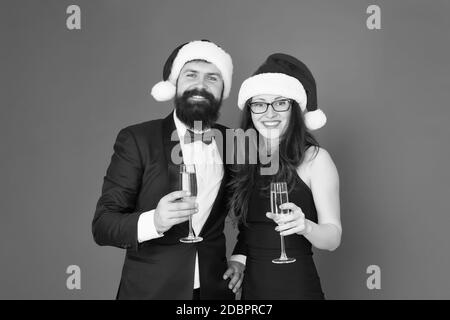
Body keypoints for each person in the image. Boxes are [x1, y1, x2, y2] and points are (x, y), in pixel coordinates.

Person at [92, 40, 238, 300]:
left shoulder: (234, 142)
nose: (201, 85)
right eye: (191, 75)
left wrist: (241, 258)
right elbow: (103, 224)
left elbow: (256, 210)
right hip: (150, 292)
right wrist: (155, 221)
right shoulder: (137, 139)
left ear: (223, 89)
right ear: (174, 84)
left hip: (214, 293)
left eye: (212, 78)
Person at [225, 53, 342, 299]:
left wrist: (305, 226)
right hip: (253, 293)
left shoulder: (316, 159)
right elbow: (250, 230)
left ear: (295, 109)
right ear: (250, 110)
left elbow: (333, 238)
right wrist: (237, 261)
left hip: (297, 288)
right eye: (259, 104)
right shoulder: (245, 158)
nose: (269, 113)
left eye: (280, 103)